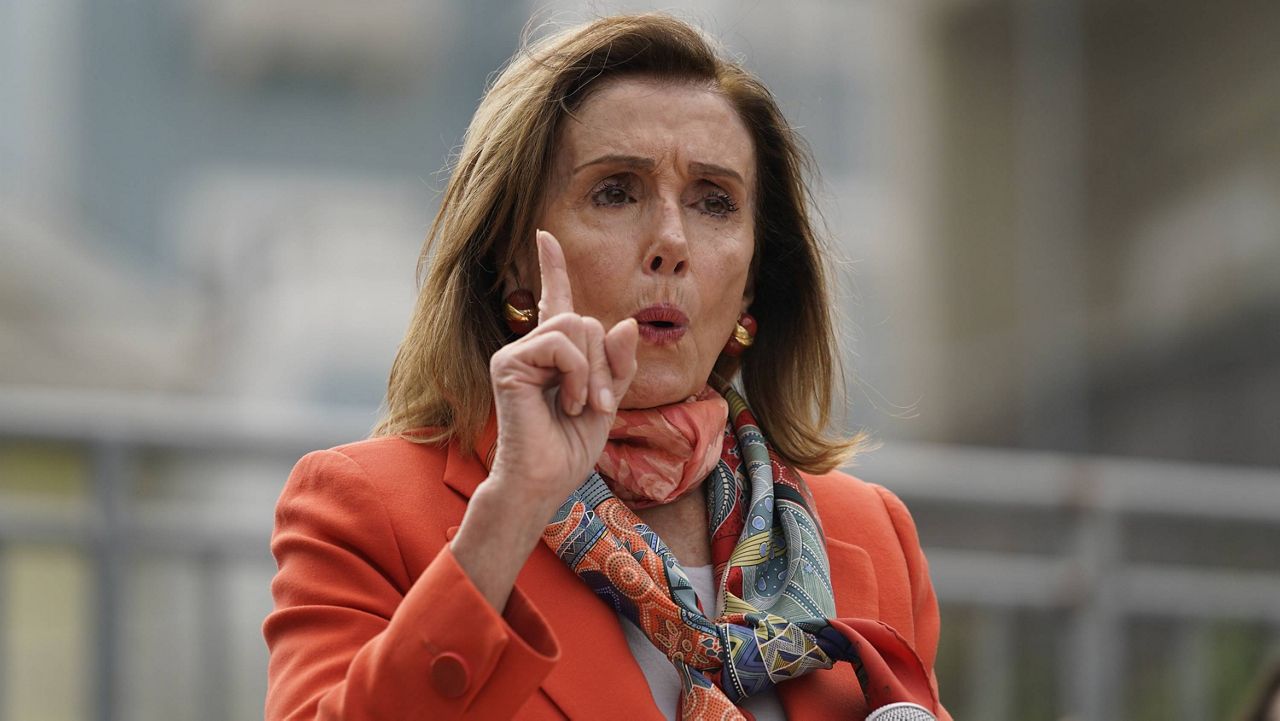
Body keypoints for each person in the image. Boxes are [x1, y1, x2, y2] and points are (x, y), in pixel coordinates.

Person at [264, 13, 951, 721]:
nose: (670, 242)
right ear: (513, 257)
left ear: (751, 281)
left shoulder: (871, 532)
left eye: (714, 201)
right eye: (616, 191)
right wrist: (509, 515)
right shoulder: (365, 508)